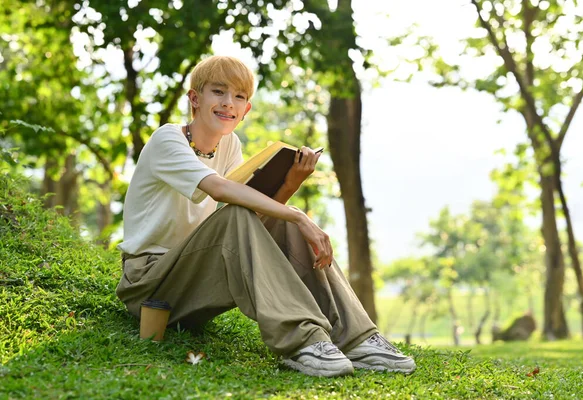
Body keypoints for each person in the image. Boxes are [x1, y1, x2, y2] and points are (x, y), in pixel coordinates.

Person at [115, 55, 416, 377]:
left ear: (246, 111)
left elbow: (254, 215)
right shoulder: (167, 138)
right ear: (194, 99)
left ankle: (357, 338)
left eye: (239, 96)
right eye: (218, 92)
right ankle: (302, 340)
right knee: (259, 216)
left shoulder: (229, 145)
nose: (228, 103)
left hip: (194, 282)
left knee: (278, 218)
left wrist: (290, 186)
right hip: (149, 288)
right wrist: (300, 217)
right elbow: (219, 191)